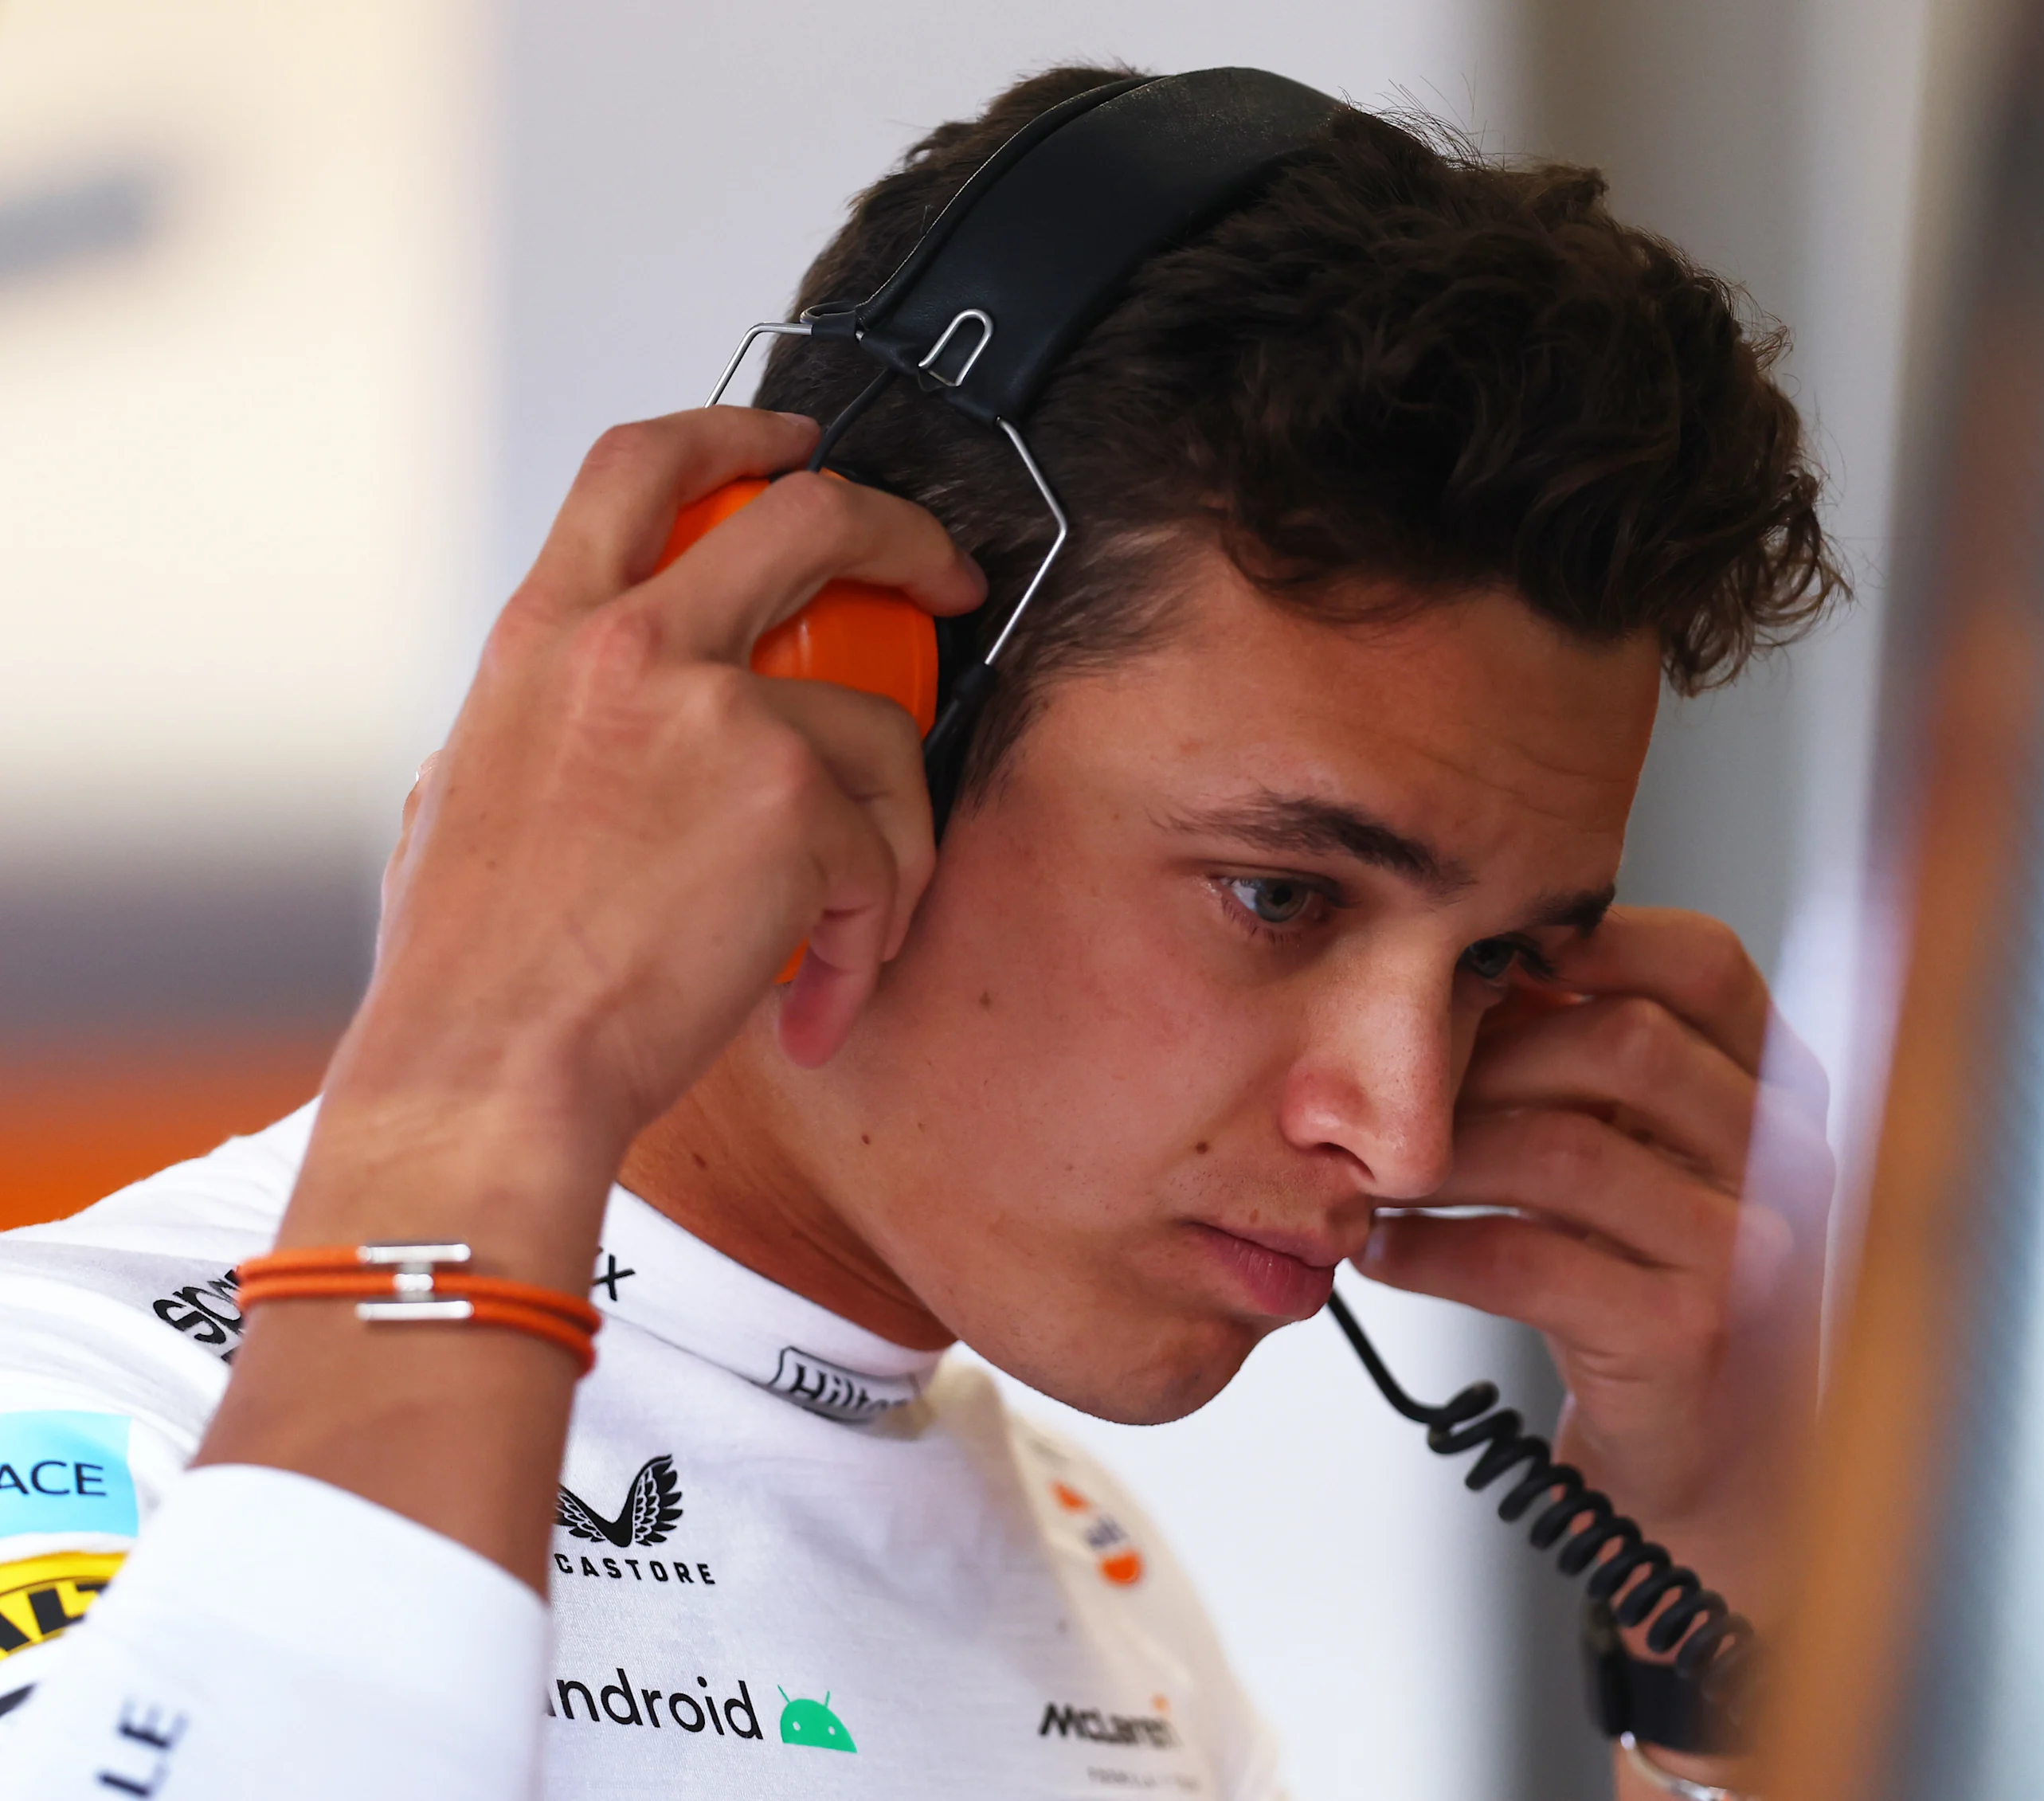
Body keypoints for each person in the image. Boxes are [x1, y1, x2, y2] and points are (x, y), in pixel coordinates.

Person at [0, 65, 1840, 1801]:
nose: (1407, 1126)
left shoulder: (1093, 1595)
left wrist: (1726, 1618)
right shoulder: (80, 1414)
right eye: (1280, 894)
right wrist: (482, 1080)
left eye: (1497, 960)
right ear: (841, 701)